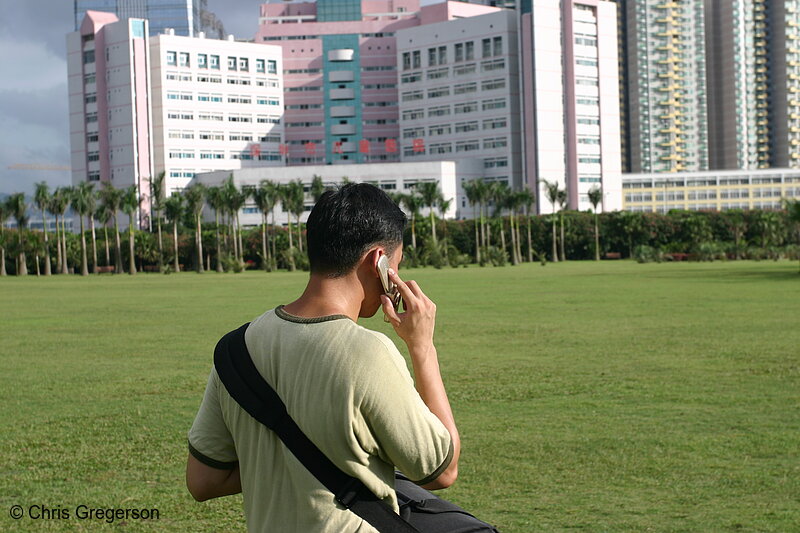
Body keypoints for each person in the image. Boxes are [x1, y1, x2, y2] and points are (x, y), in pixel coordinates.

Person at [186, 183, 460, 532]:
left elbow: (203, 481)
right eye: (397, 265)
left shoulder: (236, 347)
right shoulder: (369, 353)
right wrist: (423, 347)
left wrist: (278, 461)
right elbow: (441, 469)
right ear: (378, 261)